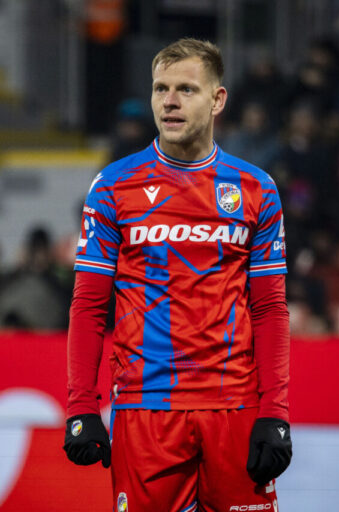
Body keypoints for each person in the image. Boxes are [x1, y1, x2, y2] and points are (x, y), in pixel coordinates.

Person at [63, 38, 291, 511]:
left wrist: (275, 411)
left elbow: (270, 309)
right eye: (160, 88)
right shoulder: (113, 187)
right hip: (146, 409)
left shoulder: (256, 189)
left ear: (218, 99)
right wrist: (81, 404)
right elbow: (88, 306)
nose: (169, 101)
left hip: (234, 405)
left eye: (186, 89)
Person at [0, 226, 69, 330]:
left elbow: (62, 317)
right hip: (15, 337)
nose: (40, 257)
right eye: (36, 251)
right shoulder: (11, 283)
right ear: (29, 252)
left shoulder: (59, 286)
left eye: (43, 251)